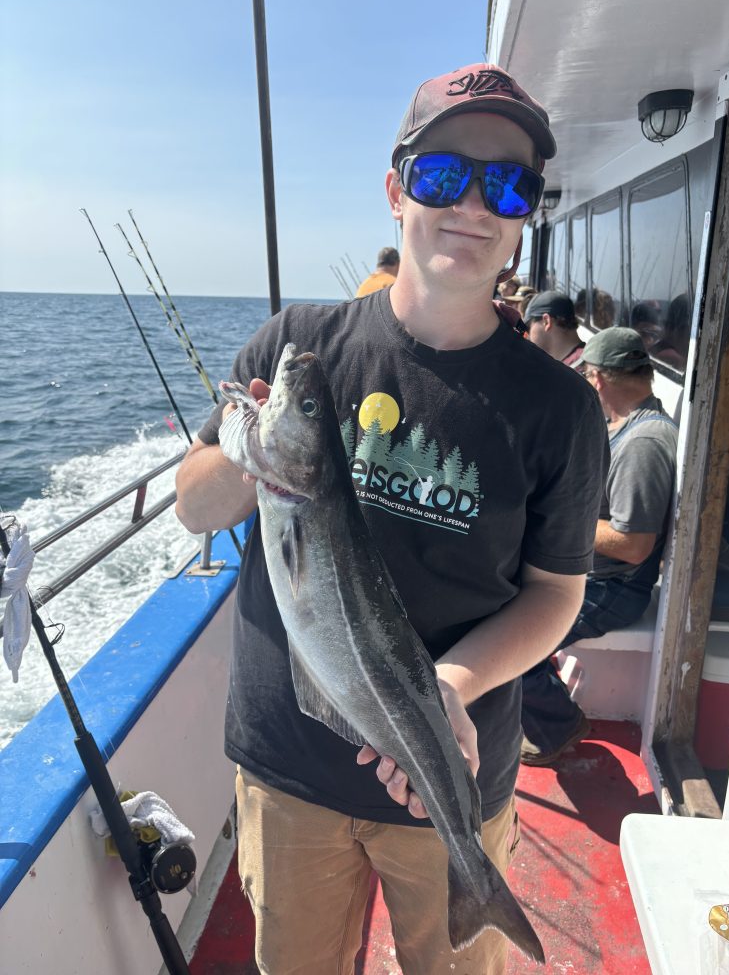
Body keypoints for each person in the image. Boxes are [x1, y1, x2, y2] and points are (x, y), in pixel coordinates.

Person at [175, 61, 608, 974]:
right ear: (396, 191)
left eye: (510, 183)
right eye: (446, 174)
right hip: (291, 768)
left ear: (526, 214)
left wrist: (448, 686)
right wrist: (249, 455)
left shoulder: (559, 409)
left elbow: (556, 596)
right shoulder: (299, 346)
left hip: (445, 771)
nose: (475, 204)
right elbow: (191, 509)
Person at [521, 327, 678, 766]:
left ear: (599, 378)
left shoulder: (644, 444)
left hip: (614, 591)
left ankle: (557, 726)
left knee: (510, 637)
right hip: (591, 577)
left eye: (588, 375)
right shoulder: (628, 425)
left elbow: (633, 544)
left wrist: (554, 516)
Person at [524, 290, 585, 365]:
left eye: (528, 327)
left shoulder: (582, 370)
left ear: (546, 321)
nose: (527, 336)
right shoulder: (588, 361)